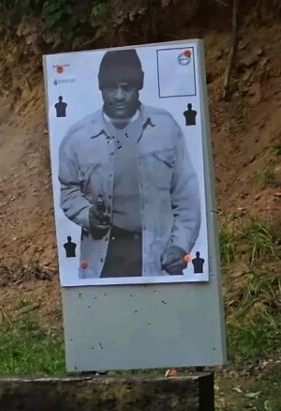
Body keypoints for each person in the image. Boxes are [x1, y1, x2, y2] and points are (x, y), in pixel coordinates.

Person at [58, 48, 200, 279]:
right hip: (102, 258)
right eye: (111, 88)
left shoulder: (166, 128)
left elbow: (186, 195)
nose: (119, 96)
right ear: (101, 88)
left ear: (139, 86)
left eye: (127, 87)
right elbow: (69, 190)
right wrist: (87, 215)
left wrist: (180, 246)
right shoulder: (78, 138)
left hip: (156, 256)